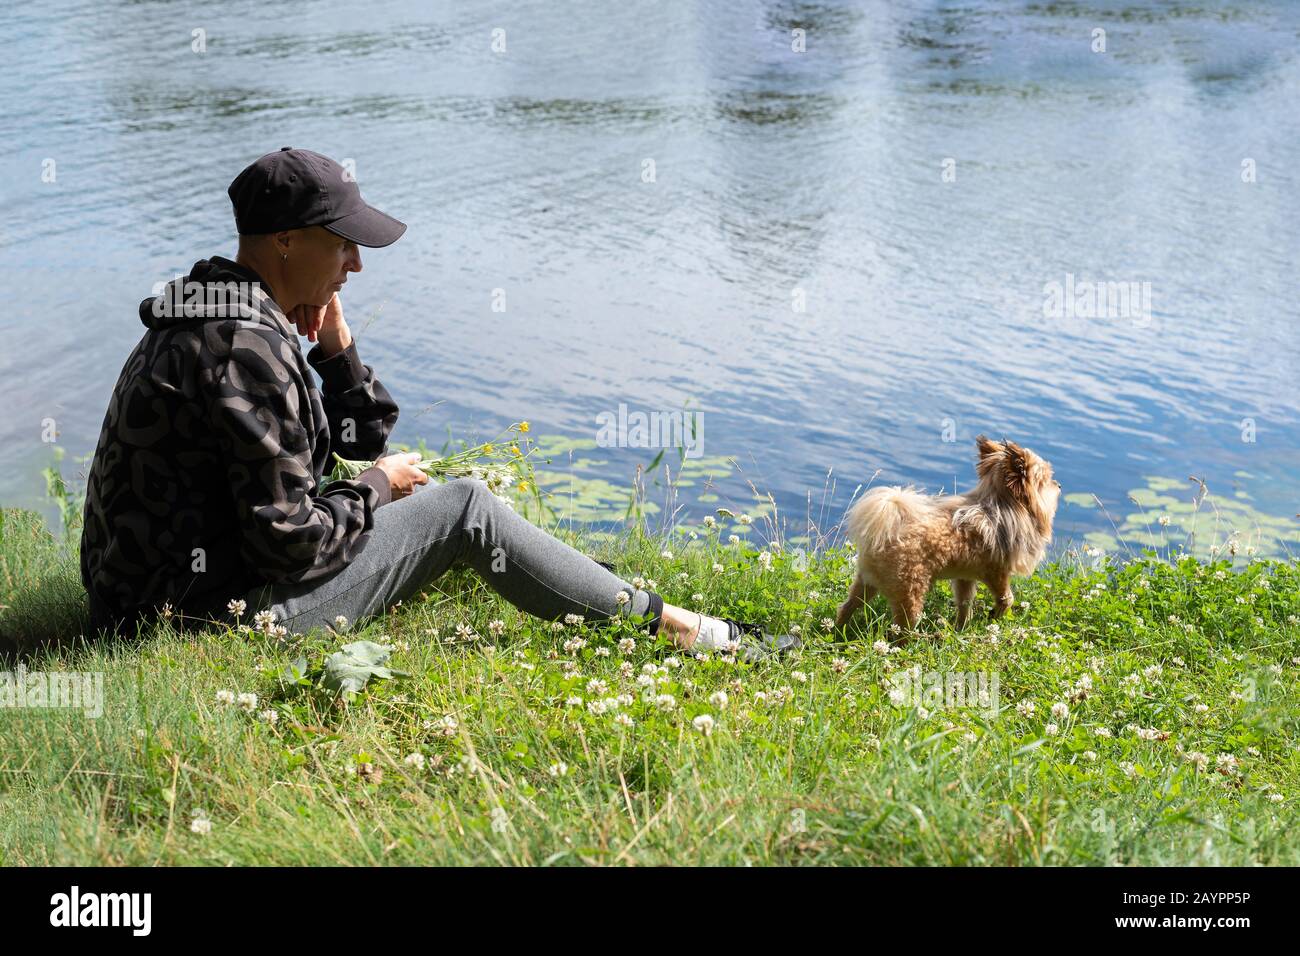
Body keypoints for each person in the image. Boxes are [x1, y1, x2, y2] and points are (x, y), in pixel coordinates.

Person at [79, 148, 799, 661]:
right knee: (463, 510)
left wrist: (337, 355)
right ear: (287, 241)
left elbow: (355, 440)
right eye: (343, 247)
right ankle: (684, 632)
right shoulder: (244, 347)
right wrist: (376, 488)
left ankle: (591, 584)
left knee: (432, 506)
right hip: (200, 620)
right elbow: (291, 542)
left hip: (151, 596)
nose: (357, 265)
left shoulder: (215, 310)